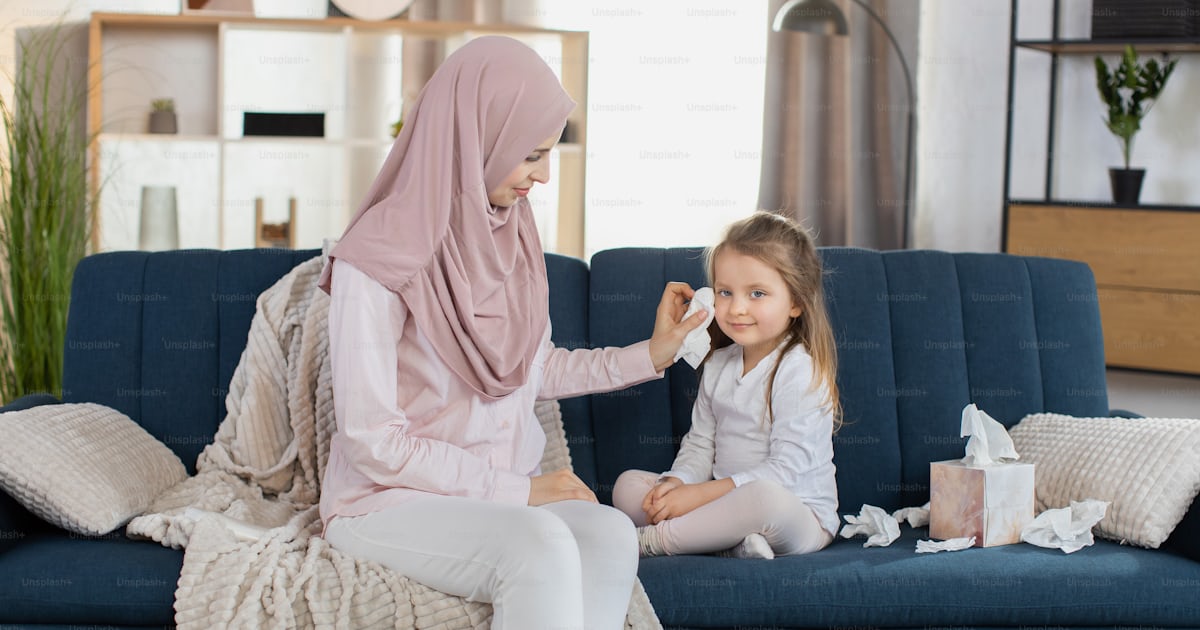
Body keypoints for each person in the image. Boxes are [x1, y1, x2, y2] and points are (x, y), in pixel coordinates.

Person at [315, 36, 707, 630]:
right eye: (530, 155)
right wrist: (517, 491)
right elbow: (373, 441)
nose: (543, 176)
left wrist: (651, 355)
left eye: (550, 154)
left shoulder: (513, 238)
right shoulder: (374, 260)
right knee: (540, 545)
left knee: (608, 532)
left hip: (492, 500)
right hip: (386, 502)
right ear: (478, 139)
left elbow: (533, 367)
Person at [612, 211, 842, 560]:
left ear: (795, 301)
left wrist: (699, 496)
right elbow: (700, 445)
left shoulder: (798, 370)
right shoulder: (719, 363)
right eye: (725, 292)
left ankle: (655, 541)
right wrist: (678, 482)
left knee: (762, 498)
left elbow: (787, 472)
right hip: (723, 502)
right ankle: (729, 541)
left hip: (797, 514)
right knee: (629, 486)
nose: (736, 308)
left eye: (757, 293)